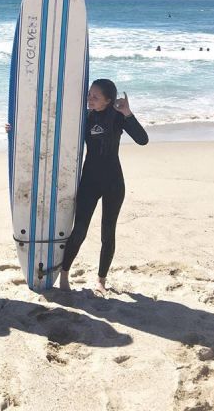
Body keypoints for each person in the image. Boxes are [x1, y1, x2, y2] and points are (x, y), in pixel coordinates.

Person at [59, 79, 148, 296]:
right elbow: (54, 133)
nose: (90, 99)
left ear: (108, 100)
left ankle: (101, 280)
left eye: (95, 96)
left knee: (108, 233)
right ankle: (64, 274)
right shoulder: (85, 118)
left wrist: (128, 112)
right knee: (79, 230)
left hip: (113, 183)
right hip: (89, 181)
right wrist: (14, 129)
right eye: (89, 94)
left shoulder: (118, 118)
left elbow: (143, 139)